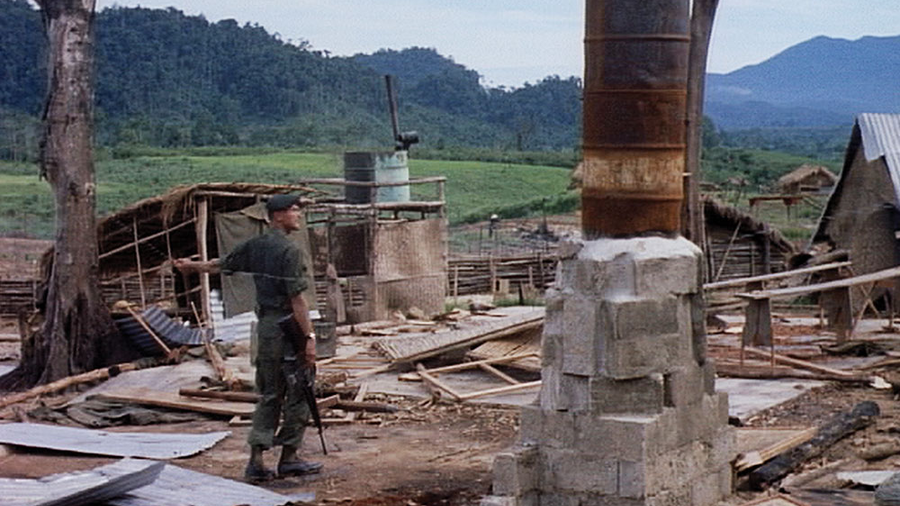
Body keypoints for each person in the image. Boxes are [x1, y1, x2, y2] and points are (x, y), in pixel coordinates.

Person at [173, 194, 322, 482]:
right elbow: (297, 300)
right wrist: (309, 338)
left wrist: (191, 267)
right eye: (294, 210)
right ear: (278, 215)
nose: (299, 215)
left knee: (269, 394)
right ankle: (289, 457)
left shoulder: (256, 245)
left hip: (265, 328)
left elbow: (220, 264)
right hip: (289, 328)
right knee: (301, 390)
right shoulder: (290, 251)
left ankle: (256, 461)